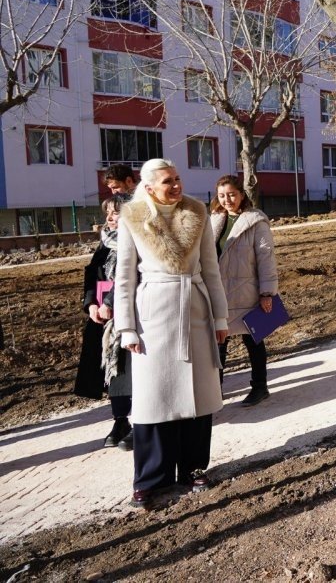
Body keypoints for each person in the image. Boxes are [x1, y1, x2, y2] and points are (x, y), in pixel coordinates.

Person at [115, 158, 228, 509]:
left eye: (178, 178)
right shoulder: (132, 217)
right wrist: (127, 327)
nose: (176, 185)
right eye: (168, 181)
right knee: (153, 400)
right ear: (149, 188)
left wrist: (220, 318)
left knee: (197, 394)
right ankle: (150, 479)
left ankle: (193, 468)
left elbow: (211, 269)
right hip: (153, 315)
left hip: (195, 308)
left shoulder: (197, 211)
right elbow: (124, 277)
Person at [211, 175, 279, 407]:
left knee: (253, 341)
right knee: (218, 342)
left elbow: (266, 257)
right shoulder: (213, 221)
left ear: (241, 194)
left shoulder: (255, 222)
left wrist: (267, 292)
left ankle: (260, 387)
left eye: (231, 194)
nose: (227, 200)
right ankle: (213, 391)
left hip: (247, 291)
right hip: (219, 293)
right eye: (222, 195)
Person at [73, 195, 133, 450]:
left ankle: (141, 421)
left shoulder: (136, 241)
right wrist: (92, 304)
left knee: (130, 371)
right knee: (112, 371)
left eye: (115, 213)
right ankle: (120, 421)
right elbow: (92, 276)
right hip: (104, 319)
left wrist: (109, 302)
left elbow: (128, 275)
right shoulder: (106, 244)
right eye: (107, 212)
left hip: (130, 313)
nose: (109, 218)